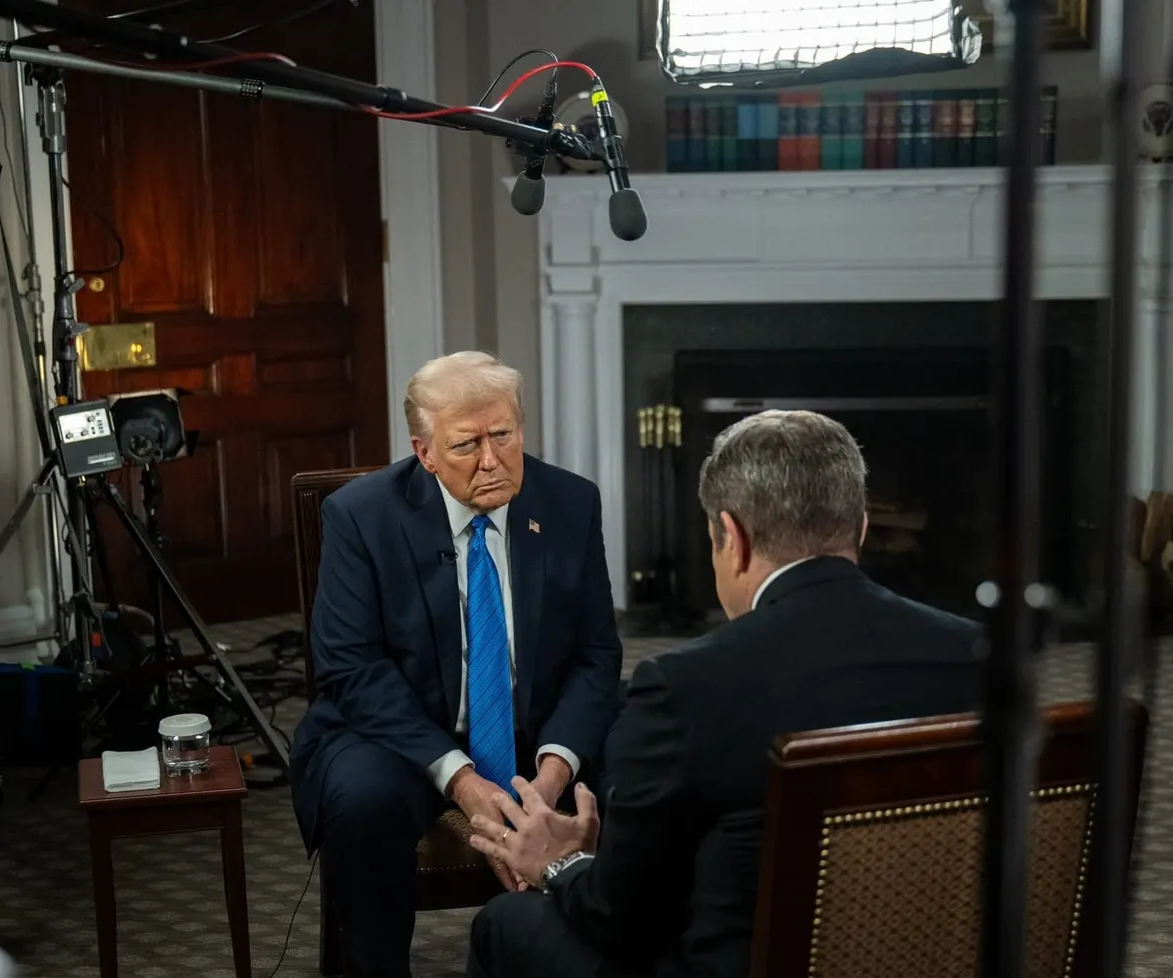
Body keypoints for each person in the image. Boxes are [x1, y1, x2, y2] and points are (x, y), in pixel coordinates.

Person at [465, 409, 984, 978]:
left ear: (732, 538)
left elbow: (621, 922)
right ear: (860, 528)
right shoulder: (979, 655)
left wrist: (561, 865)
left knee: (504, 922)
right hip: (934, 953)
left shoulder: (682, 686)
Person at [288, 351, 624, 978]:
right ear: (425, 452)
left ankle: (610, 956)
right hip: (404, 733)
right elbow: (352, 668)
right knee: (362, 800)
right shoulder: (361, 516)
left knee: (644, 768)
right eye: (467, 444)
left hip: (539, 727)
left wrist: (552, 776)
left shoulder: (571, 501)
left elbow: (596, 655)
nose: (491, 459)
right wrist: (463, 783)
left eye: (504, 435)